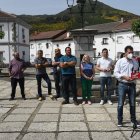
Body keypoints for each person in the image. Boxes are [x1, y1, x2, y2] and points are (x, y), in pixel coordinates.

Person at [114, 45, 140, 127]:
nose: (131, 54)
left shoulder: (135, 61)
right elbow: (115, 73)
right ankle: (120, 120)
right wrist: (123, 76)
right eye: (129, 52)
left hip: (132, 85)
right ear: (125, 53)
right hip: (122, 84)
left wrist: (136, 76)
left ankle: (133, 120)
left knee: (132, 104)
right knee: (120, 104)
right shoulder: (120, 61)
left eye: (132, 52)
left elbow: (136, 72)